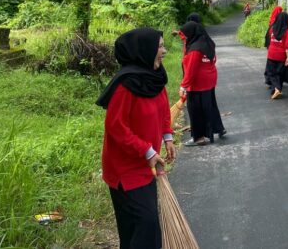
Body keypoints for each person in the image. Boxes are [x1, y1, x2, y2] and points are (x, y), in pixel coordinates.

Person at [96, 28, 176, 249]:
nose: (165, 51)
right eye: (160, 46)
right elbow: (116, 128)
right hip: (124, 168)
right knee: (145, 225)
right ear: (145, 49)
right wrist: (147, 150)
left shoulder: (154, 77)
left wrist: (167, 136)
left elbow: (163, 110)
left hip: (146, 163)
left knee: (140, 228)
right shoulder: (125, 85)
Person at [178, 21, 227, 145]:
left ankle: (199, 137)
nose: (184, 39)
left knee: (195, 110)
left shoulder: (195, 49)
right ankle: (219, 128)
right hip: (209, 80)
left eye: (185, 36)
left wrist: (184, 86)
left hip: (198, 83)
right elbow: (213, 60)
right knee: (209, 106)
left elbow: (191, 70)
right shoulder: (207, 42)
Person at [265, 10, 288, 100]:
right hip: (281, 55)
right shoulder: (287, 31)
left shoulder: (272, 28)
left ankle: (276, 89)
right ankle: (276, 89)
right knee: (279, 73)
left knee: (271, 73)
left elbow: (269, 40)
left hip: (271, 54)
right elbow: (287, 46)